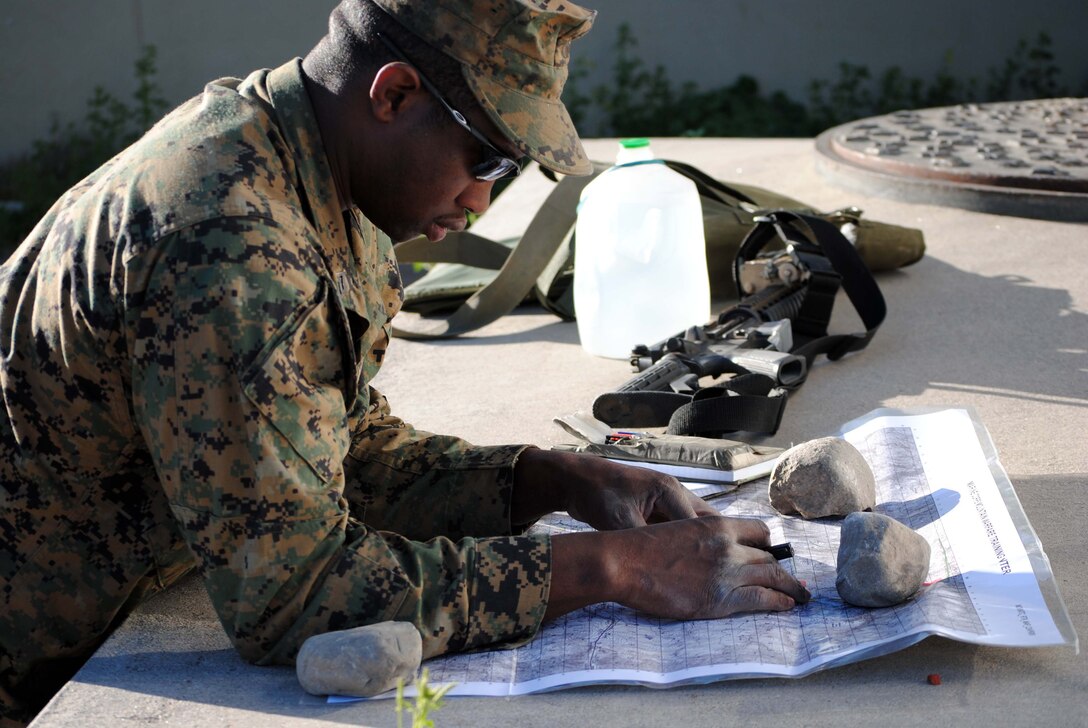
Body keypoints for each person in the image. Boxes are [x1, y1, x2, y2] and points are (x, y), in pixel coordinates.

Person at [0, 0, 809, 724]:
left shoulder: (307, 166)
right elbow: (296, 597)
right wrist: (615, 569)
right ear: (393, 95)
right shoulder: (229, 243)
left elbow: (339, 450)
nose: (482, 203)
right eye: (488, 160)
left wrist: (545, 480)